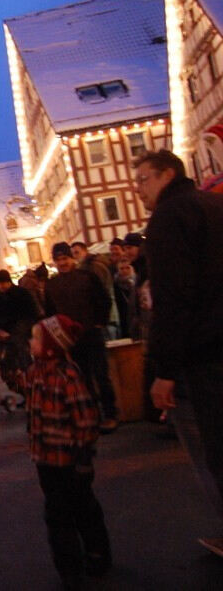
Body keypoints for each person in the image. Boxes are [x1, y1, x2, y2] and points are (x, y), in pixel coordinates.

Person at [136, 149, 223, 552]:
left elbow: (173, 298)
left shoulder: (168, 220)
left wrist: (163, 369)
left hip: (204, 351)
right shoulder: (214, 204)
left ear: (167, 174)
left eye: (144, 180)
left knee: (214, 445)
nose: (138, 190)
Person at [26, 314, 111, 588]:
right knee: (58, 514)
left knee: (83, 508)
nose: (31, 341)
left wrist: (84, 459)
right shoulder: (35, 371)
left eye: (36, 338)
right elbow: (28, 396)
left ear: (51, 346)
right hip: (45, 460)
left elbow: (86, 420)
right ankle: (69, 567)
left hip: (71, 461)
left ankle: (96, 554)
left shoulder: (68, 375)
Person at [44, 242, 117, 432]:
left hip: (91, 332)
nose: (62, 263)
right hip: (72, 339)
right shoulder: (52, 285)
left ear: (71, 258)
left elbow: (104, 299)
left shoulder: (87, 277)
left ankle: (110, 414)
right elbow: (50, 313)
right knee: (82, 379)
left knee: (101, 375)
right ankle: (93, 415)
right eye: (58, 260)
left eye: (65, 258)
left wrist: (100, 321)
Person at [0, 269, 41, 388]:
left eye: (3, 283)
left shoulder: (22, 293)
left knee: (23, 361)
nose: (1, 286)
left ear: (9, 282)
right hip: (3, 335)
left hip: (20, 333)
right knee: (6, 364)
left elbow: (33, 313)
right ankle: (15, 388)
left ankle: (30, 387)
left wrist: (29, 330)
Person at [72, 241, 119, 339]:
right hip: (102, 317)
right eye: (73, 254)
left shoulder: (94, 266)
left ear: (85, 251)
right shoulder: (86, 267)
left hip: (105, 317)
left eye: (77, 252)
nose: (75, 256)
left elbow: (102, 292)